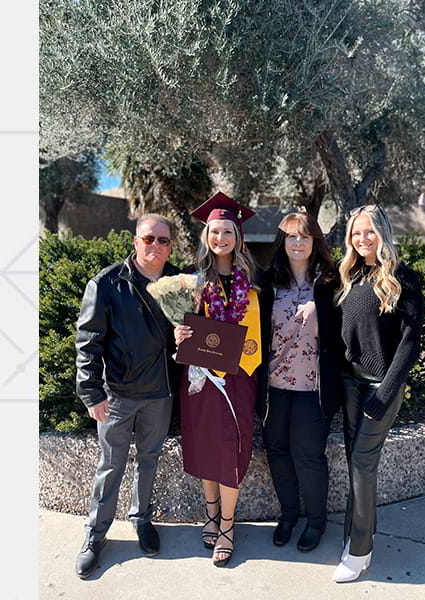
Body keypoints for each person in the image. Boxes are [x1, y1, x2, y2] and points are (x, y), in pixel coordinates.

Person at [73, 214, 181, 579]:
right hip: (118, 394)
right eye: (148, 238)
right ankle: (95, 534)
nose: (155, 245)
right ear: (136, 241)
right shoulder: (107, 283)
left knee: (148, 460)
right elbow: (88, 342)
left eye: (163, 240)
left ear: (171, 246)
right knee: (110, 465)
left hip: (160, 393)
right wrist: (91, 392)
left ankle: (142, 519)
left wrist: (187, 337)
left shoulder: (179, 282)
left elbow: (191, 332)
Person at [332, 204, 424, 583]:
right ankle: (357, 536)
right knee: (357, 462)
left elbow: (410, 343)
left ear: (382, 232)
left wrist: (385, 392)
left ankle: (359, 552)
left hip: (379, 387)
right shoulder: (351, 277)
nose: (362, 238)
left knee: (362, 463)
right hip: (350, 384)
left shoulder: (403, 279)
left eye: (369, 231)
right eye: (356, 233)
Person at [173, 192, 262, 568]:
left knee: (232, 448)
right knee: (205, 444)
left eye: (228, 231)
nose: (220, 238)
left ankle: (227, 525)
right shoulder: (191, 279)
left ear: (238, 237)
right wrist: (178, 334)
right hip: (201, 378)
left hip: (240, 377)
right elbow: (180, 325)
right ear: (206, 236)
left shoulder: (255, 281)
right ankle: (210, 512)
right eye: (214, 231)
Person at [257, 211, 342, 553]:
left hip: (313, 388)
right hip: (274, 386)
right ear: (282, 241)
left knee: (308, 455)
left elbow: (344, 333)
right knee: (277, 452)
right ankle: (289, 515)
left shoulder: (330, 282)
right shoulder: (267, 283)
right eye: (291, 236)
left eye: (304, 236)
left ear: (315, 242)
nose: (297, 242)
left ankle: (317, 521)